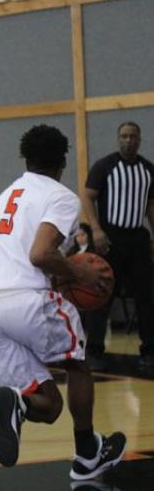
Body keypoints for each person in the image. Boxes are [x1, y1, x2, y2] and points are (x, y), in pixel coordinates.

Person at [0, 125, 126, 480]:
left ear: (26, 158)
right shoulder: (61, 196)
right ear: (63, 161)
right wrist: (78, 274)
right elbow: (40, 254)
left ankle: (19, 404)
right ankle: (88, 455)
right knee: (78, 366)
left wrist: (55, 270)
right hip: (26, 302)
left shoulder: (4, 197)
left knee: (50, 404)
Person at [82, 122, 154, 371]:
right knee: (101, 295)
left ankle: (149, 352)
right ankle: (94, 351)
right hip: (109, 238)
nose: (128, 140)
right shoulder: (105, 166)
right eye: (124, 136)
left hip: (137, 239)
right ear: (118, 139)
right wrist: (96, 229)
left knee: (147, 297)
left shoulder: (148, 169)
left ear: (140, 139)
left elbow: (151, 206)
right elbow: (88, 196)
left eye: (133, 136)